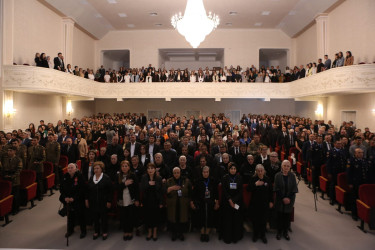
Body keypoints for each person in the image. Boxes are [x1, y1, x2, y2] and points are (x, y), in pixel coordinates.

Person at [85, 161, 113, 240]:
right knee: (95, 218)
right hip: (93, 202)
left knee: (104, 218)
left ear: (101, 169)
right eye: (94, 168)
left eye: (97, 168)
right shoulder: (91, 178)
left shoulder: (106, 178)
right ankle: (96, 231)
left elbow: (110, 191)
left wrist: (109, 201)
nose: (96, 170)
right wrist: (87, 200)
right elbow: (88, 190)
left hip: (103, 202)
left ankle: (104, 231)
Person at [191, 166, 219, 242]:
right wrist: (192, 202)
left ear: (209, 173)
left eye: (207, 172)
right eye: (204, 172)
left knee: (210, 218)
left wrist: (217, 202)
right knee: (201, 218)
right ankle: (202, 232)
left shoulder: (213, 181)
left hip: (210, 202)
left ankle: (207, 233)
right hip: (200, 203)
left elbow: (216, 193)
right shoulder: (197, 181)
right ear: (202, 172)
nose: (206, 174)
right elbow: (194, 193)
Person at [59, 163, 86, 239]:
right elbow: (61, 189)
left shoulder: (79, 176)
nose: (70, 169)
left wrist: (74, 198)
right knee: (70, 216)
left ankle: (83, 231)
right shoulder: (65, 177)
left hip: (78, 200)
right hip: (67, 200)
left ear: (76, 169)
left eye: (71, 168)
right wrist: (65, 198)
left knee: (80, 216)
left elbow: (82, 189)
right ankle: (70, 230)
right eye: (68, 168)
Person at [248, 164, 273, 244]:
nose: (260, 172)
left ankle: (263, 235)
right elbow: (248, 189)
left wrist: (271, 201)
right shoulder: (253, 179)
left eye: (261, 170)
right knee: (255, 220)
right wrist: (256, 184)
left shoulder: (267, 179)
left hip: (265, 204)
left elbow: (271, 192)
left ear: (264, 171)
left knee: (263, 220)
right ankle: (255, 235)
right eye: (258, 171)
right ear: (256, 171)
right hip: (255, 204)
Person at [274, 160, 298, 241]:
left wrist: (288, 198)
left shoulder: (292, 176)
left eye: (288, 166)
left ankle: (285, 232)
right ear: (281, 166)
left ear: (290, 167)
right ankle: (279, 232)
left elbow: (294, 189)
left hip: (290, 199)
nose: (286, 167)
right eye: (284, 166)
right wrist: (283, 198)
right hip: (280, 199)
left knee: (287, 216)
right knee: (280, 216)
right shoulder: (277, 175)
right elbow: (276, 189)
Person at [166, 167, 192, 241]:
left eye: (178, 172)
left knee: (182, 218)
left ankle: (181, 233)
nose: (176, 174)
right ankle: (174, 233)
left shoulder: (186, 181)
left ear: (180, 173)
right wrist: (171, 188)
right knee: (173, 218)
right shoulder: (169, 181)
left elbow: (190, 192)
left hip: (183, 203)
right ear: (173, 173)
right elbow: (165, 191)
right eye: (175, 173)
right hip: (172, 203)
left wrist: (189, 201)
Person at [220, 163, 243, 244]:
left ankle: (235, 237)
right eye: (231, 168)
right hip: (227, 202)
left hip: (237, 202)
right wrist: (230, 200)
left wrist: (234, 201)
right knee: (227, 220)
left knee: (236, 220)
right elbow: (224, 190)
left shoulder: (239, 178)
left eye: (234, 168)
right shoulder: (225, 177)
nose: (233, 170)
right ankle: (227, 237)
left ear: (236, 170)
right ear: (229, 170)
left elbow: (240, 191)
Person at [116, 160, 139, 241]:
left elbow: (136, 189)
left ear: (129, 167)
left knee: (130, 216)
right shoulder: (118, 176)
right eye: (123, 166)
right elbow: (116, 188)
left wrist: (137, 199)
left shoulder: (132, 175)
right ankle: (125, 231)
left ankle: (130, 231)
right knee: (123, 216)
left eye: (126, 166)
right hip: (122, 199)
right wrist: (124, 184)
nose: (124, 168)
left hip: (130, 199)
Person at [140, 163, 163, 241]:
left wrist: (161, 202)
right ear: (147, 170)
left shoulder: (159, 178)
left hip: (156, 200)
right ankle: (149, 233)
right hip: (147, 200)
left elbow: (161, 191)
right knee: (148, 217)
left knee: (155, 217)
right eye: (149, 168)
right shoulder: (144, 177)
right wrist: (148, 184)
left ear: (155, 169)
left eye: (152, 168)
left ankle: (155, 232)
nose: (150, 170)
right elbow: (142, 189)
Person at [1, 146, 22, 214]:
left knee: (15, 196)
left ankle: (15, 209)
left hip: (15, 180)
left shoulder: (18, 159)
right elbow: (3, 168)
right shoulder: (5, 159)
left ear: (15, 151)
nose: (9, 152)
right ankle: (9, 209)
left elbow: (19, 170)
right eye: (8, 151)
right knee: (8, 195)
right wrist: (4, 175)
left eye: (11, 151)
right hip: (7, 179)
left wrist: (11, 176)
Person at [28, 136, 46, 201]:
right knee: (33, 182)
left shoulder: (41, 148)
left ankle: (40, 195)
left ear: (38, 141)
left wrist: (39, 162)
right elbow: (29, 159)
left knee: (39, 182)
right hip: (32, 167)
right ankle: (34, 195)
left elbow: (44, 158)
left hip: (39, 167)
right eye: (32, 140)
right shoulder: (30, 148)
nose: (33, 142)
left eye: (35, 140)